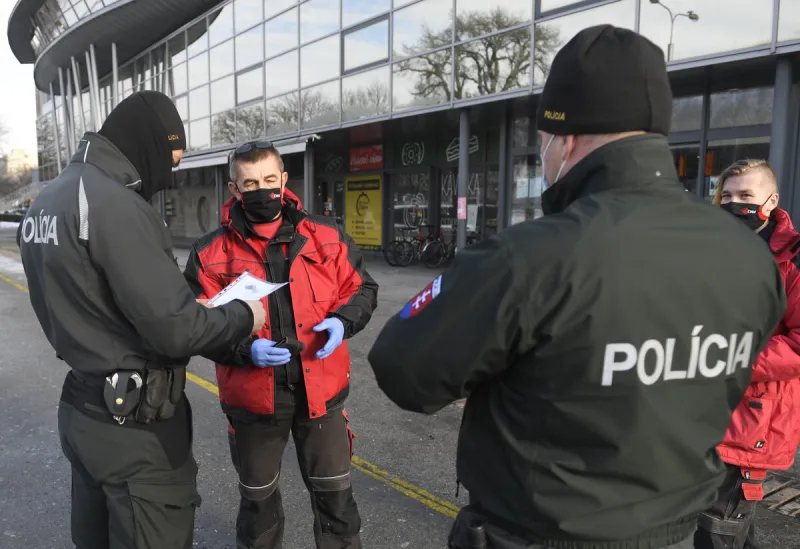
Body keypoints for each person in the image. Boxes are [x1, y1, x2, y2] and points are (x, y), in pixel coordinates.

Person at [367, 25, 787, 549]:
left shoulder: (530, 256)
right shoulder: (750, 256)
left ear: (563, 139)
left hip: (539, 532)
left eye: (542, 140)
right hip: (676, 530)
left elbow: (404, 370)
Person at [17, 90, 267, 549]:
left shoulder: (45, 202)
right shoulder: (115, 205)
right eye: (169, 159)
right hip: (135, 433)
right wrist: (242, 315)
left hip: (82, 410)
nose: (168, 176)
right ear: (150, 141)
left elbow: (94, 300)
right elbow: (178, 330)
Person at [183, 140, 378, 549]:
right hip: (255, 403)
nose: (262, 189)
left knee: (336, 503)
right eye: (250, 182)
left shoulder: (326, 235)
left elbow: (361, 288)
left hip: (321, 394)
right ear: (234, 189)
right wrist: (242, 350)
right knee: (258, 506)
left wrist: (344, 322)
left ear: (284, 180)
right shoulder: (209, 254)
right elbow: (196, 323)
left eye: (270, 179)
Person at [694, 159, 800, 549]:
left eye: (746, 196)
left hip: (753, 418)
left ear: (771, 201)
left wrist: (732, 359)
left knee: (717, 531)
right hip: (706, 412)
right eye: (728, 195)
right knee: (731, 527)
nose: (734, 204)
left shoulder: (793, 262)